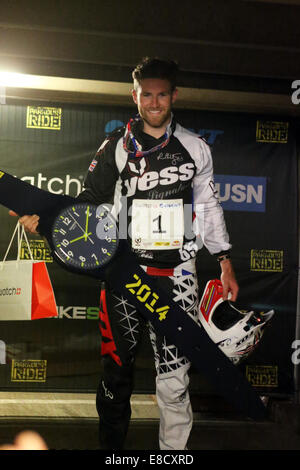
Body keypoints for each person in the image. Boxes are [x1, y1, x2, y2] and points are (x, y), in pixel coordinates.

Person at [10, 57, 238, 450]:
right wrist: (45, 220)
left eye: (161, 94)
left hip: (177, 276)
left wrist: (224, 261)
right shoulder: (116, 146)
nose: (153, 103)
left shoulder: (195, 147)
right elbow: (89, 204)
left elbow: (210, 206)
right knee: (116, 374)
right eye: (146, 94)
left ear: (173, 96)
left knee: (175, 377)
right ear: (134, 95)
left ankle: (173, 455)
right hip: (124, 274)